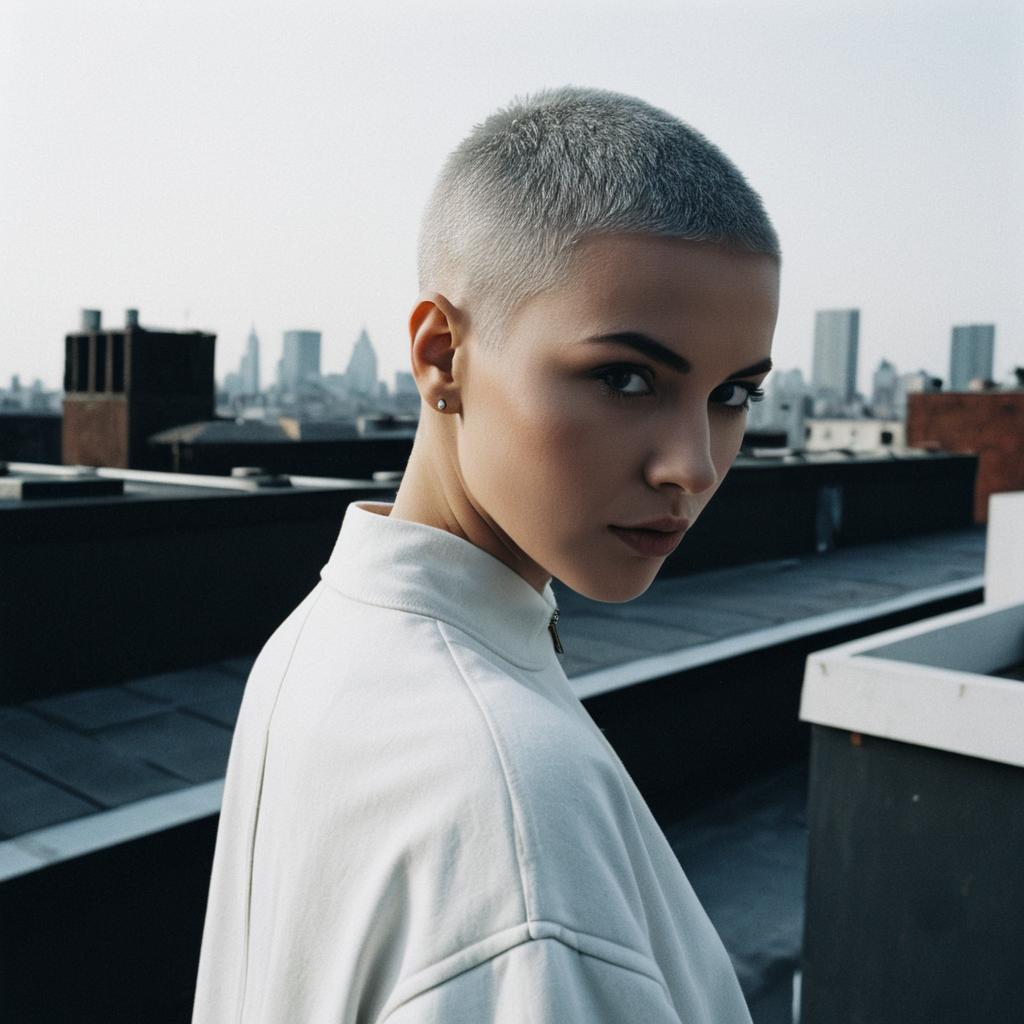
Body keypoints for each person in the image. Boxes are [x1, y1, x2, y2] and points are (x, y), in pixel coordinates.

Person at [192, 85, 779, 1023]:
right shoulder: (518, 823)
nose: (693, 466)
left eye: (735, 394)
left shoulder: (320, 637)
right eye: (627, 378)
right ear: (440, 355)